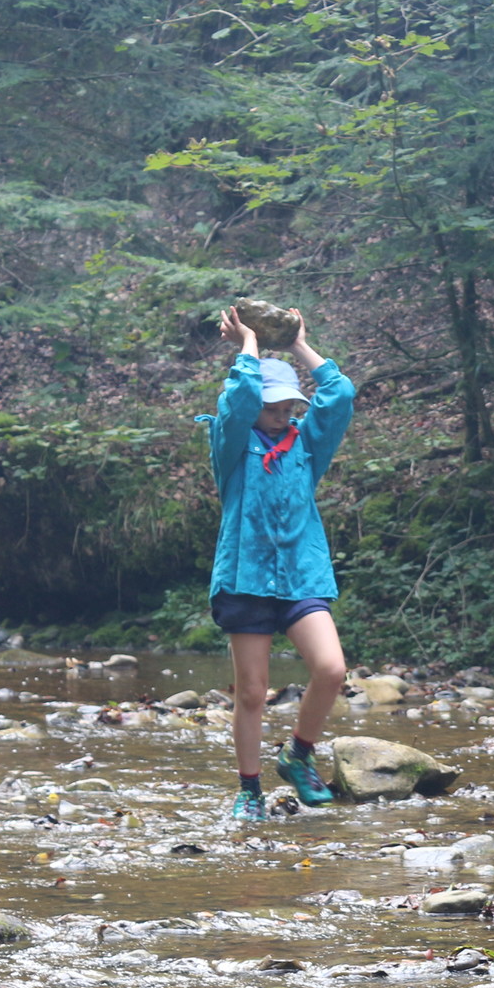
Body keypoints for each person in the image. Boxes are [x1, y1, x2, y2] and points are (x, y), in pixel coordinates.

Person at [199, 305, 357, 823]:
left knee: (331, 669)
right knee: (251, 693)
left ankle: (298, 754)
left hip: (301, 575)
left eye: (289, 406)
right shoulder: (231, 442)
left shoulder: (306, 444)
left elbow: (340, 395)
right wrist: (248, 343)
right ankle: (249, 790)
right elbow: (239, 397)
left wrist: (296, 345)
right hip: (244, 578)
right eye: (274, 407)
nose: (283, 414)